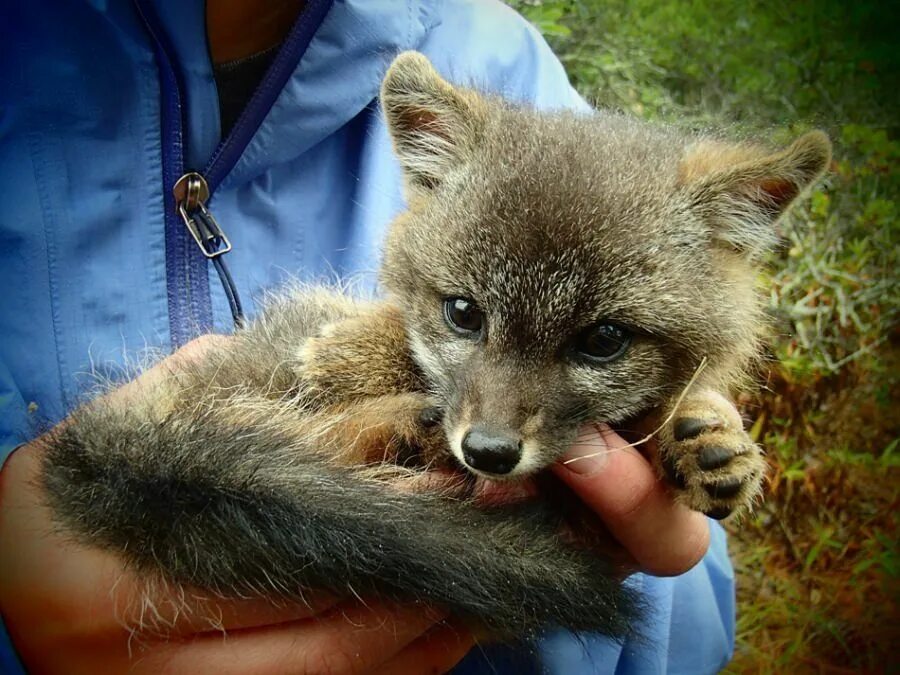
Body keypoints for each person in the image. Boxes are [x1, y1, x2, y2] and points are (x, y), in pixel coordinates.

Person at [0, 1, 735, 672]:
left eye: (598, 340)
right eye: (466, 318)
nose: (494, 430)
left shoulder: (505, 57)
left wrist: (662, 477)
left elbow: (678, 621)